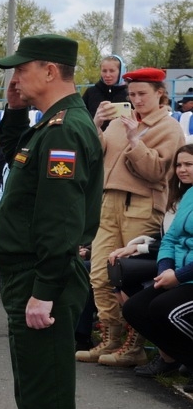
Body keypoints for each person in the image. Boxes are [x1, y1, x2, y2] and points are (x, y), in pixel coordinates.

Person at [0, 34, 101, 409]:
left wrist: (45, 292)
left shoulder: (65, 132)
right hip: (30, 276)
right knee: (34, 396)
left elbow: (59, 221)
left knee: (47, 400)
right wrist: (13, 111)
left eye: (22, 70)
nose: (14, 78)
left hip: (43, 278)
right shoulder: (48, 127)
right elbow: (15, 161)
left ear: (51, 71)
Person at [82, 67, 182, 366]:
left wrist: (135, 141)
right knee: (99, 273)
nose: (136, 100)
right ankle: (111, 337)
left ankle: (133, 344)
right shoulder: (118, 121)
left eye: (142, 94)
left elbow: (156, 172)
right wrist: (96, 127)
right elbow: (96, 156)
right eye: (132, 95)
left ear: (160, 94)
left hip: (139, 204)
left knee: (129, 276)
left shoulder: (169, 128)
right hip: (108, 201)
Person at [120, 144, 193, 376]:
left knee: (164, 310)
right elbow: (170, 238)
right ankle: (184, 362)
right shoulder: (189, 195)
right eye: (179, 165)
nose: (182, 170)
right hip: (177, 273)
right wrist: (165, 269)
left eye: (189, 164)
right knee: (135, 308)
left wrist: (178, 276)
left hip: (187, 277)